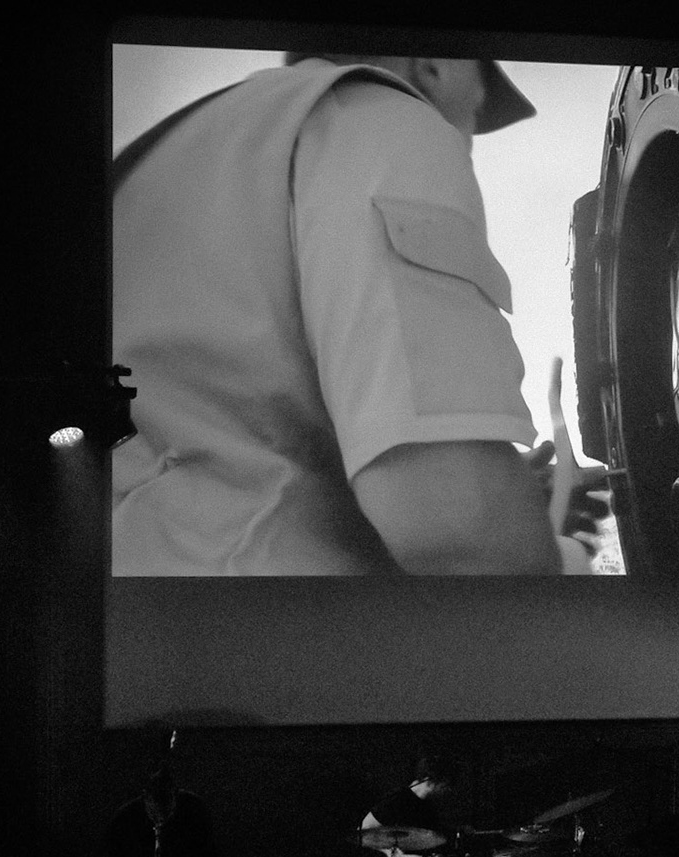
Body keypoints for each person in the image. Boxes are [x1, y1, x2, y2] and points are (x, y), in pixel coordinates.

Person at [111, 51, 603, 575]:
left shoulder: (167, 156)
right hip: (282, 638)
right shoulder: (381, 120)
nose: (466, 139)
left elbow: (221, 446)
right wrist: (562, 559)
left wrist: (505, 486)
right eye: (475, 116)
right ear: (436, 65)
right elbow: (458, 527)